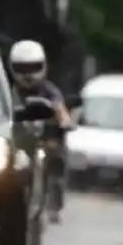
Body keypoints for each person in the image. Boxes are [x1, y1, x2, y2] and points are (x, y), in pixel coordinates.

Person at [9, 40, 73, 223]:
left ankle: (55, 204)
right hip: (20, 138)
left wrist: (65, 122)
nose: (28, 74)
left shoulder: (50, 91)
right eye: (22, 68)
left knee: (57, 159)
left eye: (33, 67)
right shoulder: (9, 91)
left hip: (48, 135)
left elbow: (60, 109)